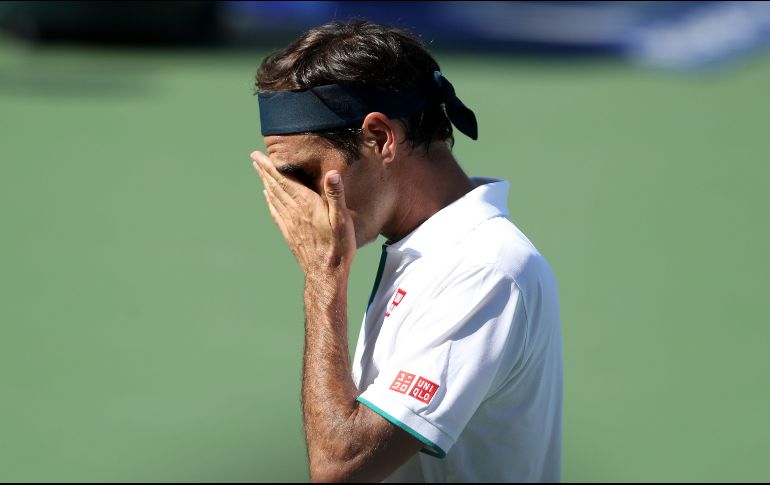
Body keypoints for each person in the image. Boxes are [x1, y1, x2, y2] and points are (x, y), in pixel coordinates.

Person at [250, 20, 562, 483]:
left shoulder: (482, 268)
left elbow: (340, 465)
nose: (301, 205)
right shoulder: (428, 252)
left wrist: (324, 275)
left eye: (304, 174)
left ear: (379, 139)